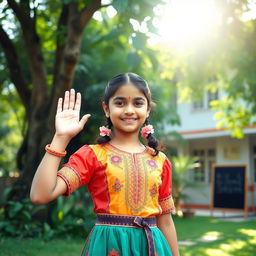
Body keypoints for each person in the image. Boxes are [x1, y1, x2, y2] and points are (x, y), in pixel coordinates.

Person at [30, 72, 180, 256]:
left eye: (138, 103)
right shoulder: (92, 155)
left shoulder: (160, 160)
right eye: (120, 102)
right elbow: (40, 195)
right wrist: (60, 138)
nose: (129, 110)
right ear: (106, 109)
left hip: (152, 248)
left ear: (148, 109)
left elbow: (165, 221)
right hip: (108, 247)